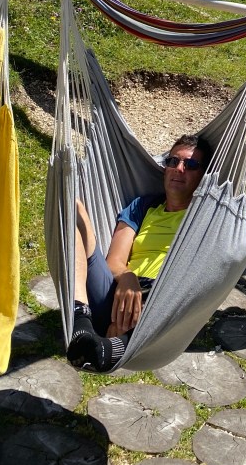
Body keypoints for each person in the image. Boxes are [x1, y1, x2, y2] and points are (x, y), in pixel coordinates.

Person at [65, 132, 210, 370]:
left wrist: (142, 301)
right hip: (118, 291)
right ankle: (81, 323)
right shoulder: (143, 207)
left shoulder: (205, 217)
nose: (179, 169)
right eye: (173, 161)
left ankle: (113, 347)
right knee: (73, 209)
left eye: (190, 164)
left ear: (203, 175)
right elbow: (115, 261)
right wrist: (127, 278)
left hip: (161, 302)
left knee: (173, 298)